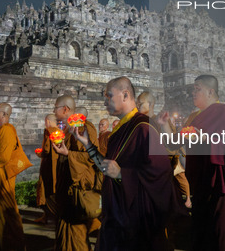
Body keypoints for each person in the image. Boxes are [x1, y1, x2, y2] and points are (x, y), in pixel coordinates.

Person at [72, 76, 175, 250]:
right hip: (115, 214)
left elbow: (162, 173)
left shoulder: (143, 127)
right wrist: (88, 145)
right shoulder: (121, 129)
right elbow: (108, 169)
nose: (105, 102)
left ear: (125, 95)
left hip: (135, 220)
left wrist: (122, 174)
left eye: (109, 96)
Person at [158, 75, 225, 251]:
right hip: (203, 183)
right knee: (203, 234)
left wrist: (206, 138)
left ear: (211, 92)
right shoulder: (195, 117)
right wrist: (163, 125)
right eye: (193, 89)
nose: (193, 92)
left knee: (224, 235)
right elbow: (173, 143)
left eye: (197, 88)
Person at [50, 95, 100, 251]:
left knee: (77, 235)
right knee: (65, 231)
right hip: (66, 191)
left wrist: (68, 154)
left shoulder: (84, 127)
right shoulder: (68, 129)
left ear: (65, 109)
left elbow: (91, 157)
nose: (53, 110)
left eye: (55, 107)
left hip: (77, 189)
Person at [138, 91, 192, 208]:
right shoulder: (139, 123)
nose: (137, 107)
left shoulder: (161, 121)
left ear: (151, 104)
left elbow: (171, 146)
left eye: (141, 104)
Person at [0, 102, 27, 250]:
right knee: (2, 213)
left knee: (6, 213)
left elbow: (3, 157)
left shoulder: (6, 131)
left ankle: (11, 245)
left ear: (4, 114)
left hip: (1, 177)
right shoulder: (1, 130)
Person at [35, 114, 59, 224]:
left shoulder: (48, 131)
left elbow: (47, 149)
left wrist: (40, 153)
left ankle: (52, 217)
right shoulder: (60, 131)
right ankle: (46, 216)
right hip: (57, 165)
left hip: (48, 165)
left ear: (48, 121)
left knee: (46, 191)